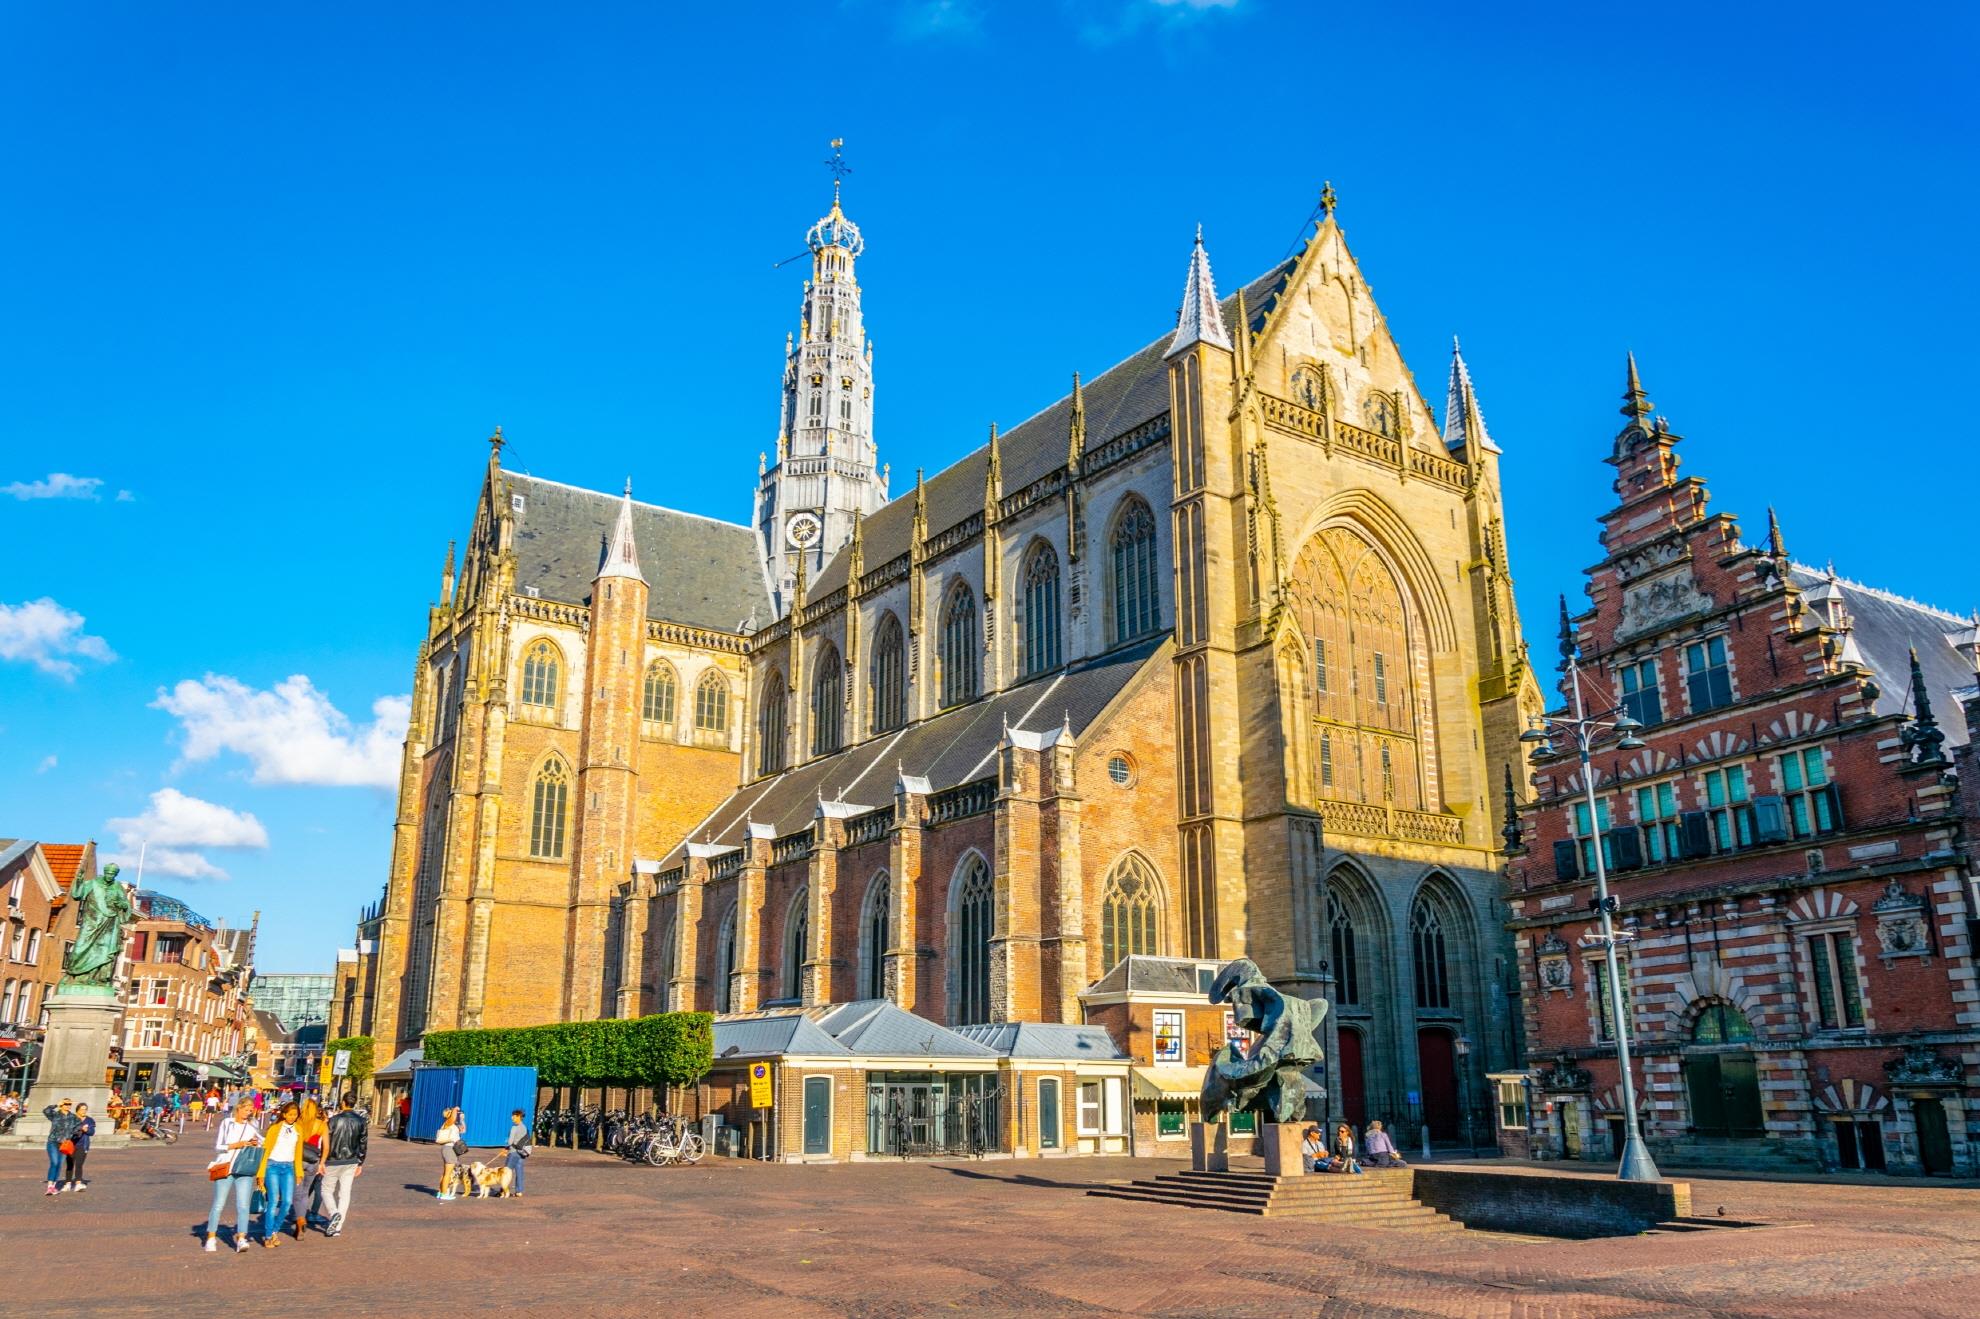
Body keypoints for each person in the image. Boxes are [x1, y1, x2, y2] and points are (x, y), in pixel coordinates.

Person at [206, 1098, 262, 1253]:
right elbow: (219, 1146)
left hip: (244, 1167)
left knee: (243, 1205)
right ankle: (211, 1237)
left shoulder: (252, 1126)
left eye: (250, 1110)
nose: (248, 1112)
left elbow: (261, 1142)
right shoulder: (227, 1123)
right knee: (219, 1204)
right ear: (238, 1108)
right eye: (246, 1109)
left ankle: (241, 1237)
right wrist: (239, 1144)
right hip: (226, 1166)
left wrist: (256, 1143)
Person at [254, 1101, 306, 1248]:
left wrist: (299, 1171)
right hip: (272, 1166)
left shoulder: (298, 1129)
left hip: (289, 1167)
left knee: (288, 1201)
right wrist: (261, 1173)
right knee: (273, 1201)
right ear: (284, 1114)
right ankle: (268, 1235)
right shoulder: (275, 1129)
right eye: (290, 1114)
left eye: (295, 1115)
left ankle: (275, 1230)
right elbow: (266, 1150)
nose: (292, 1117)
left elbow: (298, 1152)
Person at [319, 1092, 368, 1236]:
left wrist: (322, 1159)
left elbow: (325, 1142)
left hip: (333, 1160)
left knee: (326, 1190)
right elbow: (363, 1143)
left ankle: (334, 1213)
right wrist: (360, 1162)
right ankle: (338, 1227)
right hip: (351, 1160)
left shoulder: (333, 1120)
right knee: (345, 1193)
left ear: (343, 1102)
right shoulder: (361, 1121)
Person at [296, 1096, 327, 1235]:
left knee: (297, 1192)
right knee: (305, 1192)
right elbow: (326, 1147)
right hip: (313, 1160)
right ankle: (302, 1218)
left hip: (298, 1159)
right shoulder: (321, 1124)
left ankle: (298, 1218)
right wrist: (322, 1163)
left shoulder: (298, 1122)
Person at [41, 1097, 80, 1195]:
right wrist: (56, 1105)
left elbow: (79, 1126)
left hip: (65, 1144)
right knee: (54, 1162)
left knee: (59, 1164)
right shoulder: (55, 1114)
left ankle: (53, 1186)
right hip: (53, 1142)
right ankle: (49, 1186)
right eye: (66, 1104)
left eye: (69, 1104)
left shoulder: (73, 1117)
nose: (68, 1106)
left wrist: (73, 1133)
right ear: (62, 1105)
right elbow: (46, 1111)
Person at [63, 1102, 96, 1191]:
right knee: (70, 1165)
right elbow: (67, 1130)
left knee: (79, 1164)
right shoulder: (72, 1119)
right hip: (71, 1144)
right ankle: (68, 1183)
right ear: (77, 1110)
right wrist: (78, 1128)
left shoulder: (89, 1120)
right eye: (82, 1109)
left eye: (85, 1109)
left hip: (83, 1145)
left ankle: (78, 1183)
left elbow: (92, 1132)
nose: (84, 1111)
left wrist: (86, 1130)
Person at [435, 1106, 466, 1201]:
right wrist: (455, 1109)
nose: (455, 1115)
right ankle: (444, 1194)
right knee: (448, 1173)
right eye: (452, 1112)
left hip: (449, 1149)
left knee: (445, 1173)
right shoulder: (448, 1122)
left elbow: (463, 1130)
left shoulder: (452, 1124)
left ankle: (440, 1192)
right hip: (449, 1149)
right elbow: (452, 1117)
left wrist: (462, 1119)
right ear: (449, 1113)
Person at [504, 1108, 531, 1198]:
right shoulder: (524, 1127)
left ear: (519, 1116)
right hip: (521, 1152)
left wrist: (506, 1147)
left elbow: (510, 1141)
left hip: (513, 1152)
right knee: (519, 1172)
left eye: (514, 1116)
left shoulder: (514, 1127)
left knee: (506, 1172)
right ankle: (519, 1191)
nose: (512, 1117)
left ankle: (504, 1191)